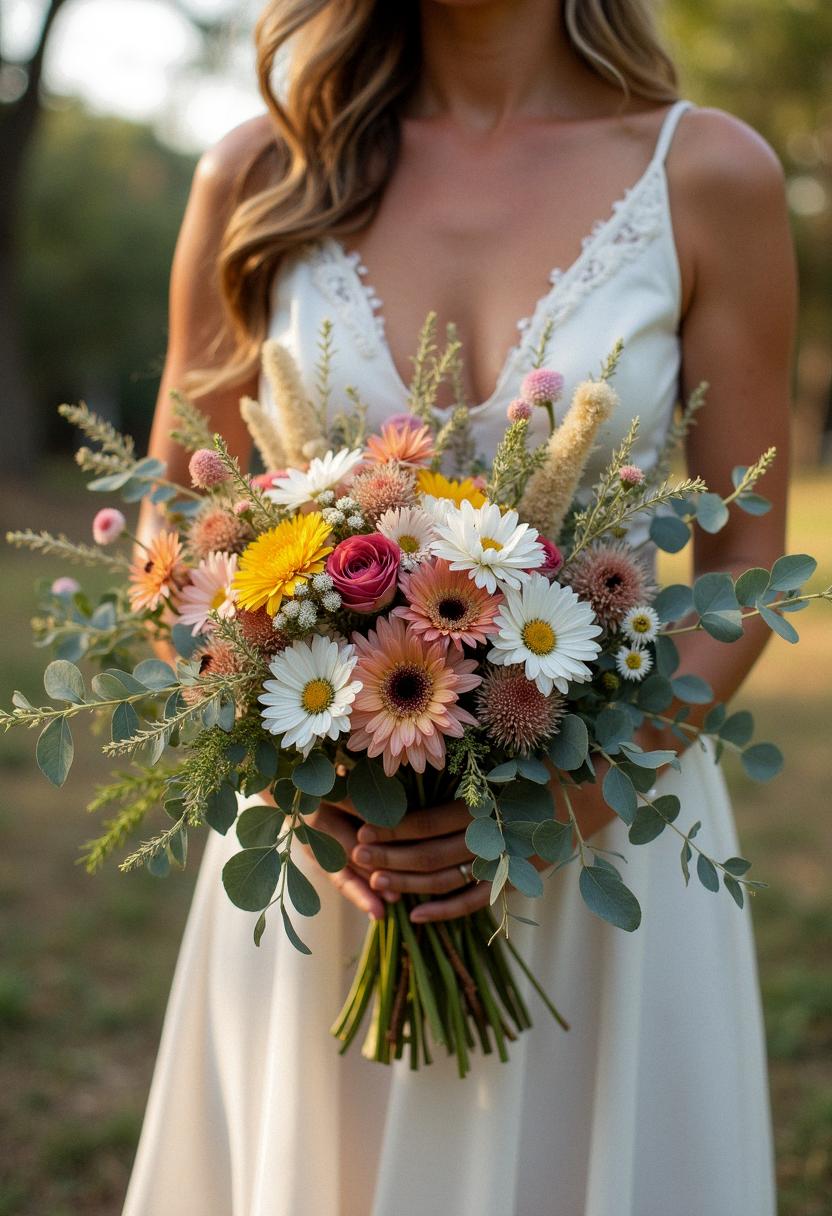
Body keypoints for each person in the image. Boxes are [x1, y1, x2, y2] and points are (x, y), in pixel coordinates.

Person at [122, 1, 795, 1212]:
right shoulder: (258, 177)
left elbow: (744, 574)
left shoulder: (705, 173)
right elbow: (179, 548)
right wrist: (300, 787)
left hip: (609, 838)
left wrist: (564, 802)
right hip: (331, 845)